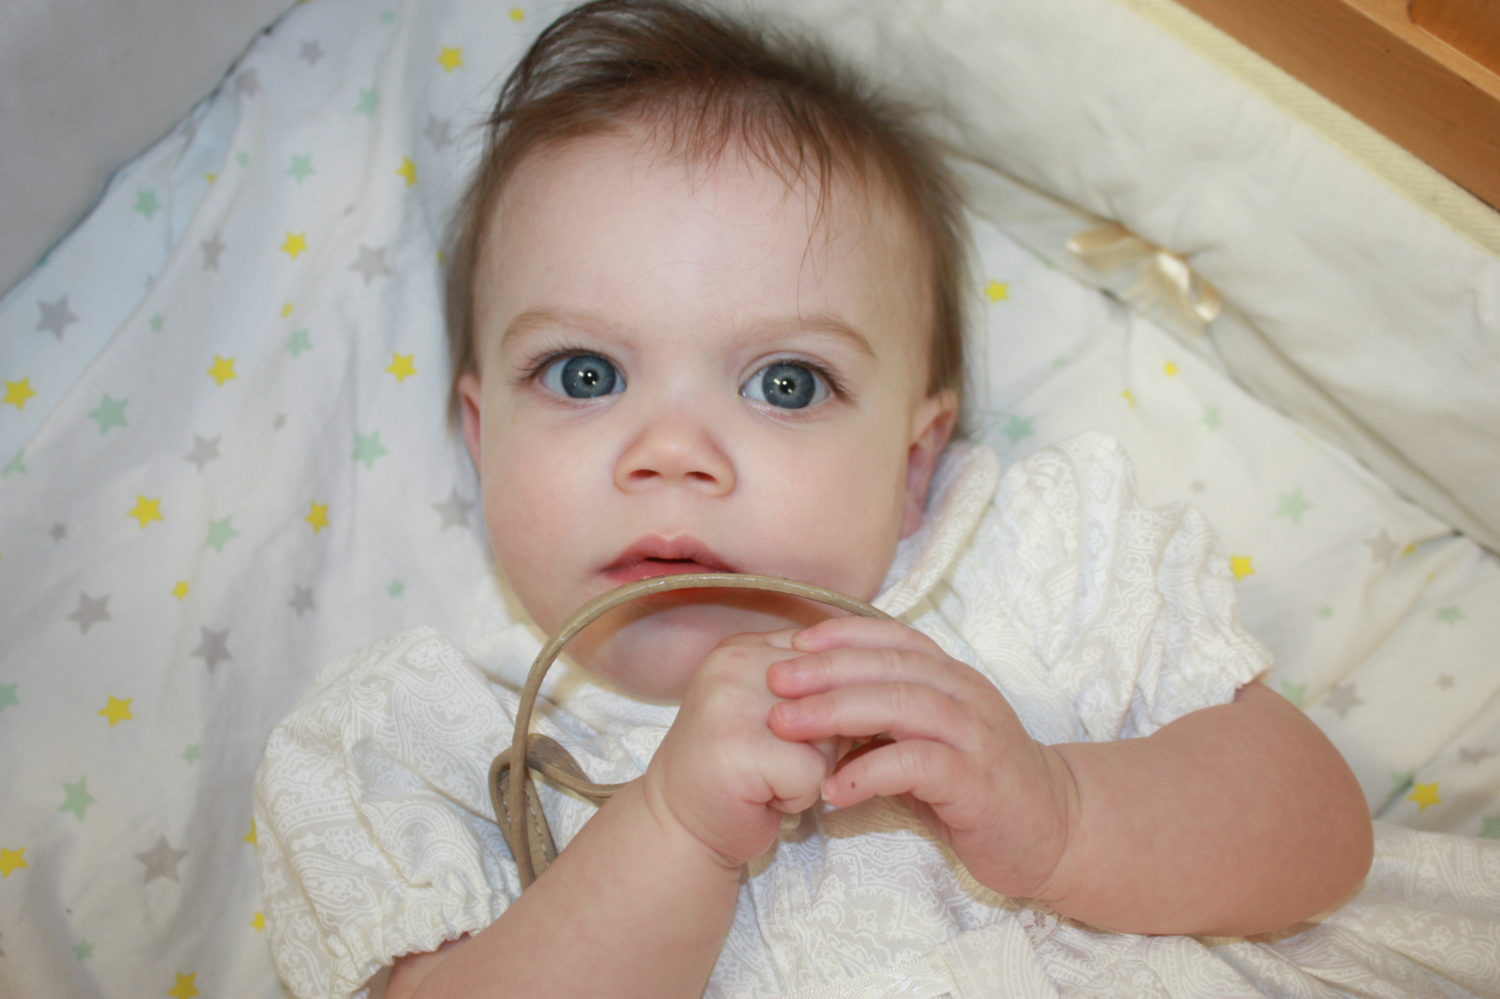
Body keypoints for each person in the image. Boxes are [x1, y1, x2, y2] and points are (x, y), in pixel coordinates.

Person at [253, 2, 1416, 996]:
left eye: (786, 384)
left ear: (915, 463)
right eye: (586, 375)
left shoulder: (1037, 567)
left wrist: (1063, 810)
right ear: (480, 435)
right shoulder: (421, 742)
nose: (673, 452)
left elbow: (1321, 835)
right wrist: (671, 830)